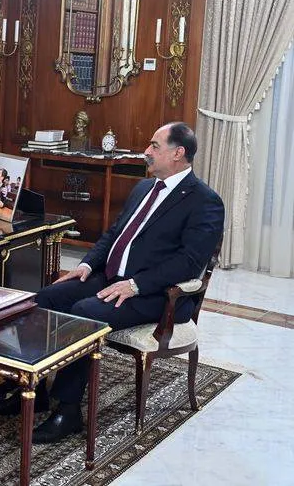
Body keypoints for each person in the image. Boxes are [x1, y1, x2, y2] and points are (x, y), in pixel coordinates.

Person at [31, 122, 224, 443]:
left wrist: (135, 285)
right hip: (111, 278)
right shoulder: (143, 188)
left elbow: (189, 263)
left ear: (178, 153)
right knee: (45, 298)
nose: (146, 152)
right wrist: (86, 264)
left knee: (84, 312)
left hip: (157, 295)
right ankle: (33, 392)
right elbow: (113, 233)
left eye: (155, 146)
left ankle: (68, 410)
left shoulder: (205, 201)